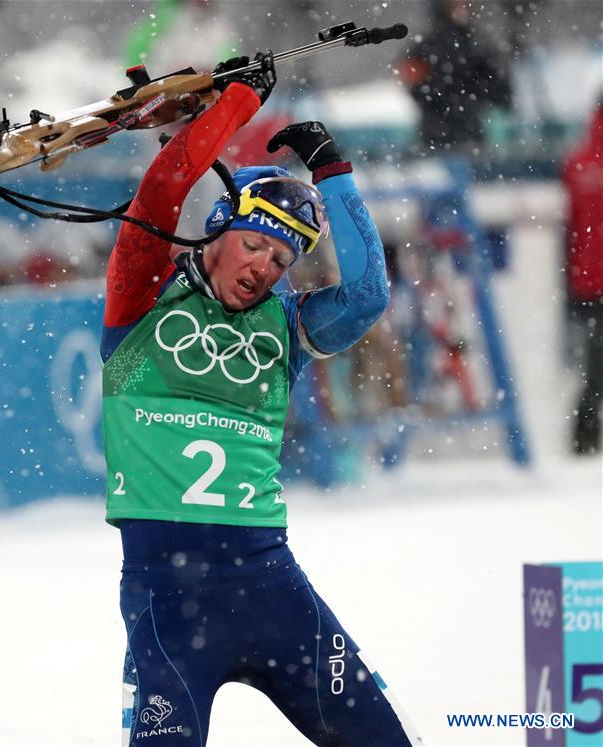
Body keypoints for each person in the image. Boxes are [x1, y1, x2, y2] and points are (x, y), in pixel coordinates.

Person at [101, 55, 421, 746]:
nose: (263, 267)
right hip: (168, 602)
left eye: (281, 261)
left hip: (274, 588)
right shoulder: (139, 301)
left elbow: (365, 295)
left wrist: (332, 169)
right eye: (252, 244)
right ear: (215, 230)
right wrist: (237, 102)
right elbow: (159, 195)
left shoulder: (287, 325)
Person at [397, 0, 511, 153]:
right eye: (458, 4)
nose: (464, 9)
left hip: (472, 136)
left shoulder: (479, 44)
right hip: (436, 136)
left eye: (468, 4)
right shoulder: (425, 47)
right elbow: (416, 89)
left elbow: (500, 92)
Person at [562, 96, 603, 455]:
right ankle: (585, 437)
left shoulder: (578, 162)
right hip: (590, 281)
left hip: (587, 282)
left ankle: (584, 438)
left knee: (594, 366)